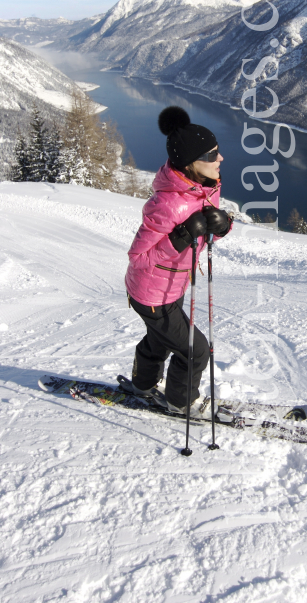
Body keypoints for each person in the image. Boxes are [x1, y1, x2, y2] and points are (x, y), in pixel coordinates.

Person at [124, 106, 232, 419]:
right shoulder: (168, 205)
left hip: (171, 286)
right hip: (152, 294)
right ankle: (180, 401)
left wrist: (222, 225)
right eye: (212, 155)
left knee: (160, 340)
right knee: (195, 350)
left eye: (217, 152)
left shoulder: (201, 187)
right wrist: (180, 239)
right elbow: (139, 257)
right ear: (191, 162)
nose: (220, 159)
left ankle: (143, 386)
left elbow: (205, 229)